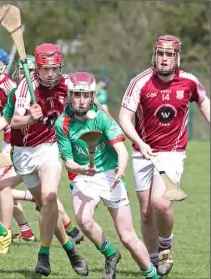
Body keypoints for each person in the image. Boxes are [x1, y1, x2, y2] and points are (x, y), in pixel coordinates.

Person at [119, 35, 210, 276]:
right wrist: (138, 142)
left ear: (177, 57)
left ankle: (166, 247)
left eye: (170, 54)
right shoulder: (140, 82)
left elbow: (204, 102)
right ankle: (153, 262)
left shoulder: (189, 82)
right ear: (154, 55)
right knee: (146, 211)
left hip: (172, 152)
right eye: (161, 53)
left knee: (160, 202)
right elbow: (124, 117)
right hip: (142, 153)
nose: (164, 59)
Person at [55, 72, 159, 279]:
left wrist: (121, 168)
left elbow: (121, 150)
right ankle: (111, 254)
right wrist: (82, 169)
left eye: (86, 95)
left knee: (128, 237)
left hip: (111, 175)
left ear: (93, 96)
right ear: (69, 96)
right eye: (76, 95)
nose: (81, 100)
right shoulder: (62, 124)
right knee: (83, 219)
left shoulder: (101, 117)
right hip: (83, 177)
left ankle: (153, 275)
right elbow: (68, 161)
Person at [0, 55, 84, 244]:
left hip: (29, 147)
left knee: (1, 188)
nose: (20, 73)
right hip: (18, 148)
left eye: (25, 70)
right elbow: (9, 118)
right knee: (29, 193)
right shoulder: (14, 90)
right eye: (19, 69)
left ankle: (7, 234)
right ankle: (52, 230)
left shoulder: (14, 87)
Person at [11, 43, 88, 277]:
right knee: (47, 208)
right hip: (24, 153)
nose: (51, 74)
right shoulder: (27, 85)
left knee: (50, 196)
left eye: (55, 68)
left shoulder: (67, 84)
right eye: (46, 69)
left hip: (50, 147)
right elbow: (14, 121)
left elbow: (87, 101)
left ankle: (43, 254)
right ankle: (70, 249)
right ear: (38, 69)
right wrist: (29, 119)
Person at [0, 48, 35, 251]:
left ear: (1, 65)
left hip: (14, 145)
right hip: (8, 142)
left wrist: (10, 145)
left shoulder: (8, 87)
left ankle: (7, 233)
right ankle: (26, 231)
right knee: (2, 190)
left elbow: (21, 117)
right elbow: (7, 118)